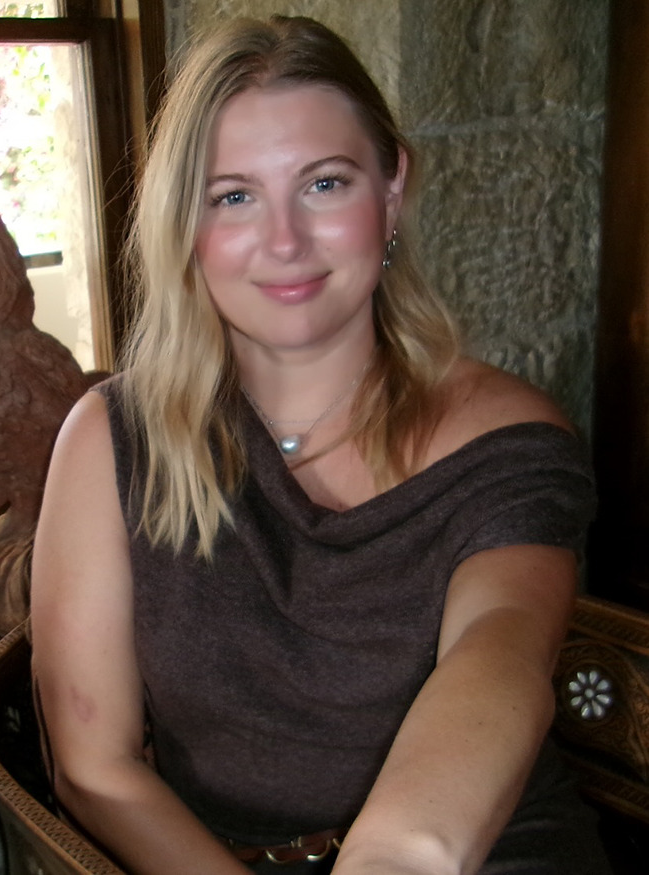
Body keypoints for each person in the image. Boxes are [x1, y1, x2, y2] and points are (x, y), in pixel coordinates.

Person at [30, 14, 612, 875]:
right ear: (182, 224)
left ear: (392, 189)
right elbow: (95, 769)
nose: (285, 241)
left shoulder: (508, 442)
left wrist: (398, 853)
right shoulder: (111, 440)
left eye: (325, 183)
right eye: (232, 196)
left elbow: (500, 653)